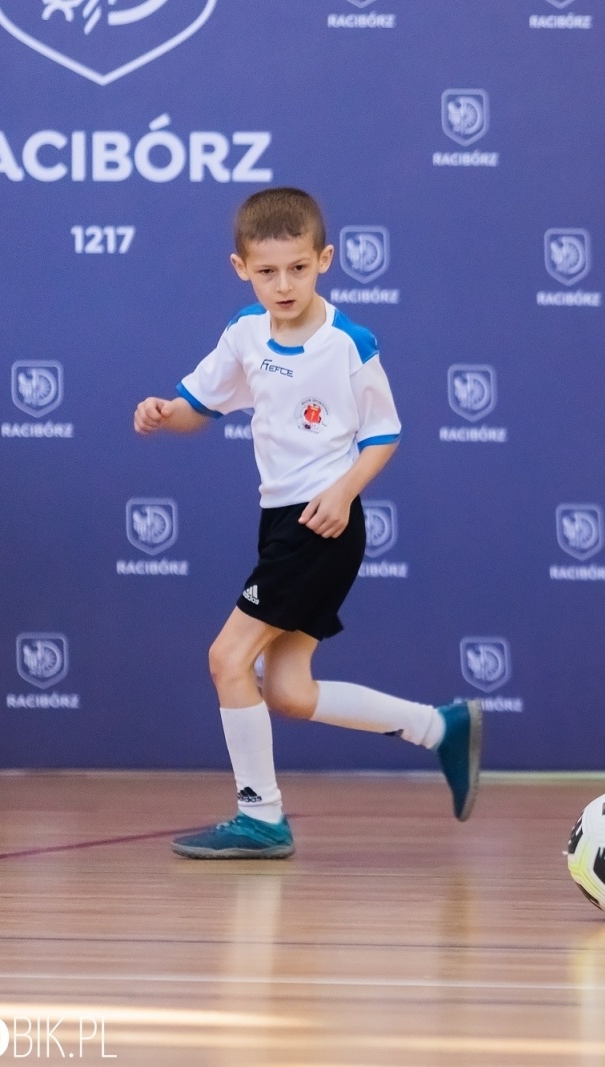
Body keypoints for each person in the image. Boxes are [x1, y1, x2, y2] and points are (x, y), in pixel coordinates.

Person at [134, 187, 482, 859]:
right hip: (279, 523)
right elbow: (197, 405)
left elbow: (385, 434)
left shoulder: (349, 342)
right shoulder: (244, 332)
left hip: (322, 527)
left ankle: (260, 816)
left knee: (227, 656)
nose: (284, 283)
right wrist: (160, 412)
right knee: (289, 691)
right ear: (241, 269)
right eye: (267, 271)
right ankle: (440, 728)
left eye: (299, 267)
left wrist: (344, 490)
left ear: (324, 259)